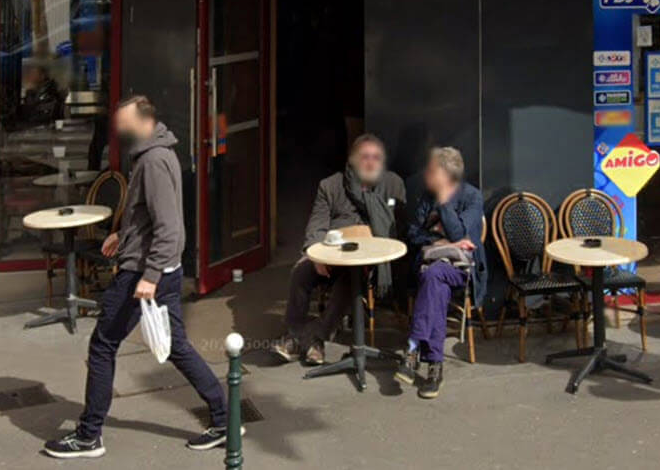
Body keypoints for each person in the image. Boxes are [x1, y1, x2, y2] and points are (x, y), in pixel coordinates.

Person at [43, 95, 227, 459]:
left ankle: (88, 435)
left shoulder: (154, 161)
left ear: (144, 121)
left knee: (102, 346)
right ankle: (224, 418)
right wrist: (123, 235)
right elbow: (146, 214)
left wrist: (150, 275)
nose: (119, 128)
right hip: (157, 270)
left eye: (124, 122)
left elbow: (169, 227)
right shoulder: (155, 153)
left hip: (142, 275)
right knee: (176, 346)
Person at [272, 133, 405, 366]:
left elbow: (398, 227)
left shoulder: (392, 185)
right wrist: (315, 255)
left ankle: (312, 339)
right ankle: (294, 332)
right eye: (365, 157)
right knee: (300, 273)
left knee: (349, 282)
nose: (371, 162)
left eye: (376, 157)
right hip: (330, 253)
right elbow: (317, 225)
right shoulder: (331, 185)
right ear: (352, 160)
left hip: (368, 260)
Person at [395, 147, 486, 399]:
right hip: (429, 266)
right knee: (435, 280)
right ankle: (434, 368)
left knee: (434, 278)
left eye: (432, 169)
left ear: (445, 174)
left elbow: (461, 236)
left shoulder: (472, 197)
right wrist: (440, 244)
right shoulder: (426, 197)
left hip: (462, 269)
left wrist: (445, 203)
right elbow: (413, 234)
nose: (426, 173)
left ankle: (414, 350)